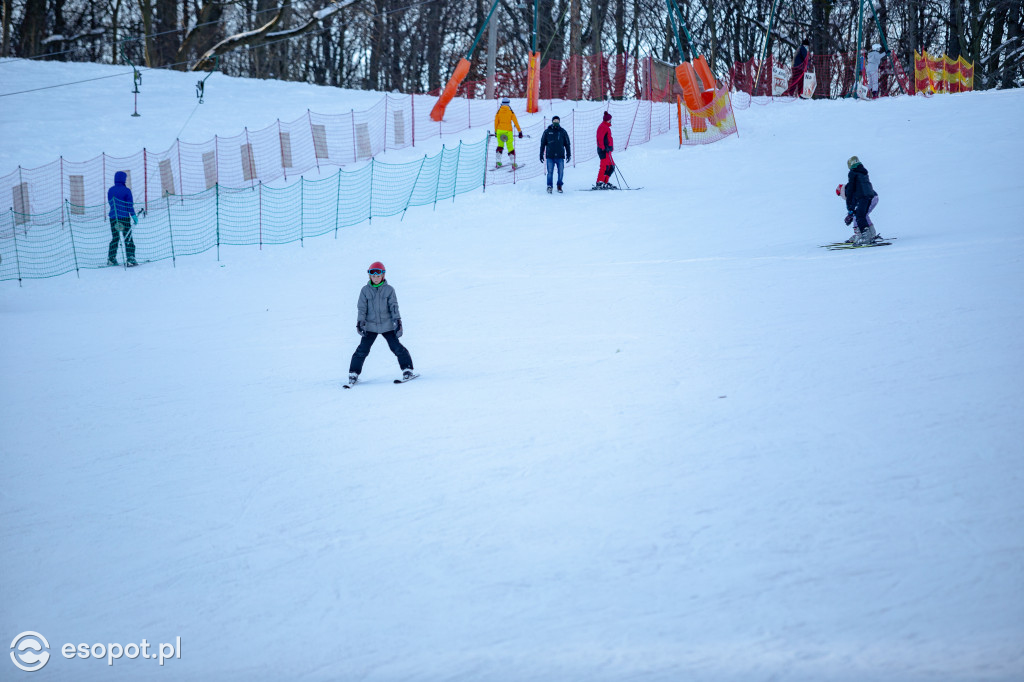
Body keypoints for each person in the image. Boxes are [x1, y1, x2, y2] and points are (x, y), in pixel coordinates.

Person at [347, 262, 415, 386]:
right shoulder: (365, 290)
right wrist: (360, 322)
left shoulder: (389, 290)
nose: (376, 278)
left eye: (378, 276)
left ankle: (407, 369)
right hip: (370, 326)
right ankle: (353, 373)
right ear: (370, 276)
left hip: (387, 325)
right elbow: (361, 308)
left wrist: (397, 321)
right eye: (373, 276)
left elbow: (394, 306)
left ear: (383, 276)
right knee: (362, 350)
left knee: (396, 347)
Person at [836, 156, 879, 244]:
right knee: (862, 215)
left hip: (864, 197)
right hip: (870, 196)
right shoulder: (862, 171)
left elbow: (852, 194)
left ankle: (863, 235)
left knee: (859, 216)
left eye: (840, 194)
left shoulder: (852, 174)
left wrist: (850, 209)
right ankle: (870, 234)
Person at [107, 170, 138, 266]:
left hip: (113, 218)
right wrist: (133, 216)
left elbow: (111, 203)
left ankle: (111, 258)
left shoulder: (110, 190)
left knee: (115, 238)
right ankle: (130, 258)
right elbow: (129, 205)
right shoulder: (126, 191)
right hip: (124, 218)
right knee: (127, 237)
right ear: (123, 179)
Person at [539, 115, 571, 194]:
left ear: (559, 122)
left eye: (557, 121)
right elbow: (543, 143)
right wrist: (541, 154)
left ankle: (559, 185)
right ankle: (549, 186)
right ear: (552, 122)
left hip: (560, 156)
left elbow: (567, 144)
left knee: (561, 172)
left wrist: (568, 154)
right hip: (550, 156)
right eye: (554, 121)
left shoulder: (563, 131)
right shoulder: (547, 132)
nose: (556, 122)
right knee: (550, 172)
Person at [494, 97, 523, 169]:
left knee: (500, 146)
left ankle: (498, 162)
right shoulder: (511, 112)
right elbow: (515, 122)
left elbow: (496, 122)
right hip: (508, 131)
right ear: (508, 103)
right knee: (510, 146)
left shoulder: (498, 112)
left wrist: (495, 131)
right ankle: (513, 163)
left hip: (499, 131)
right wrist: (519, 131)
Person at [595, 111, 616, 189]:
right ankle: (599, 182)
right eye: (610, 119)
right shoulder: (602, 126)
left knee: (612, 166)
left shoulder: (606, 127)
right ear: (608, 120)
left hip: (608, 150)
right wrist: (603, 148)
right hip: (603, 150)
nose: (611, 120)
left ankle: (605, 181)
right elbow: (599, 139)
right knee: (604, 166)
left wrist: (610, 148)